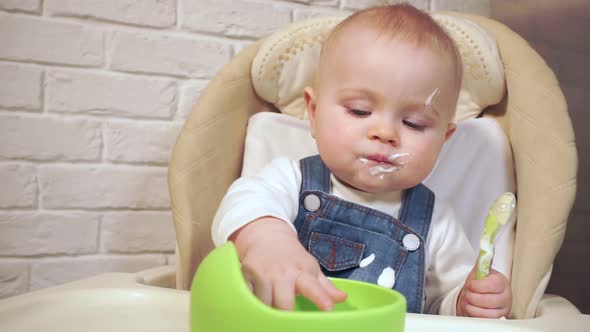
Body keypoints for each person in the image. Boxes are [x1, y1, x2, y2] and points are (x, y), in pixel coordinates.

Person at [211, 3, 512, 318]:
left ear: (443, 140)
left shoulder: (438, 223)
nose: (385, 133)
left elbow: (440, 306)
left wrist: (467, 302)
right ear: (314, 114)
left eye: (414, 123)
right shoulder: (290, 180)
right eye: (359, 110)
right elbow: (242, 204)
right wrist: (266, 240)